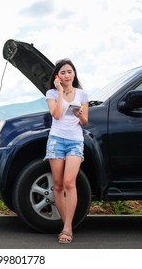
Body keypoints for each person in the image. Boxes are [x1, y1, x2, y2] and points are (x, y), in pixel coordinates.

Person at [44, 59, 89, 243]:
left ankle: (67, 228)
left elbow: (85, 121)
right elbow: (56, 114)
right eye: (63, 72)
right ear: (58, 76)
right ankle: (67, 225)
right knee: (58, 184)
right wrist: (61, 92)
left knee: (69, 182)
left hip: (75, 141)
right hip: (56, 140)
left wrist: (80, 115)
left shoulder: (82, 94)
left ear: (74, 74)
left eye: (70, 71)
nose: (67, 75)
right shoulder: (52, 93)